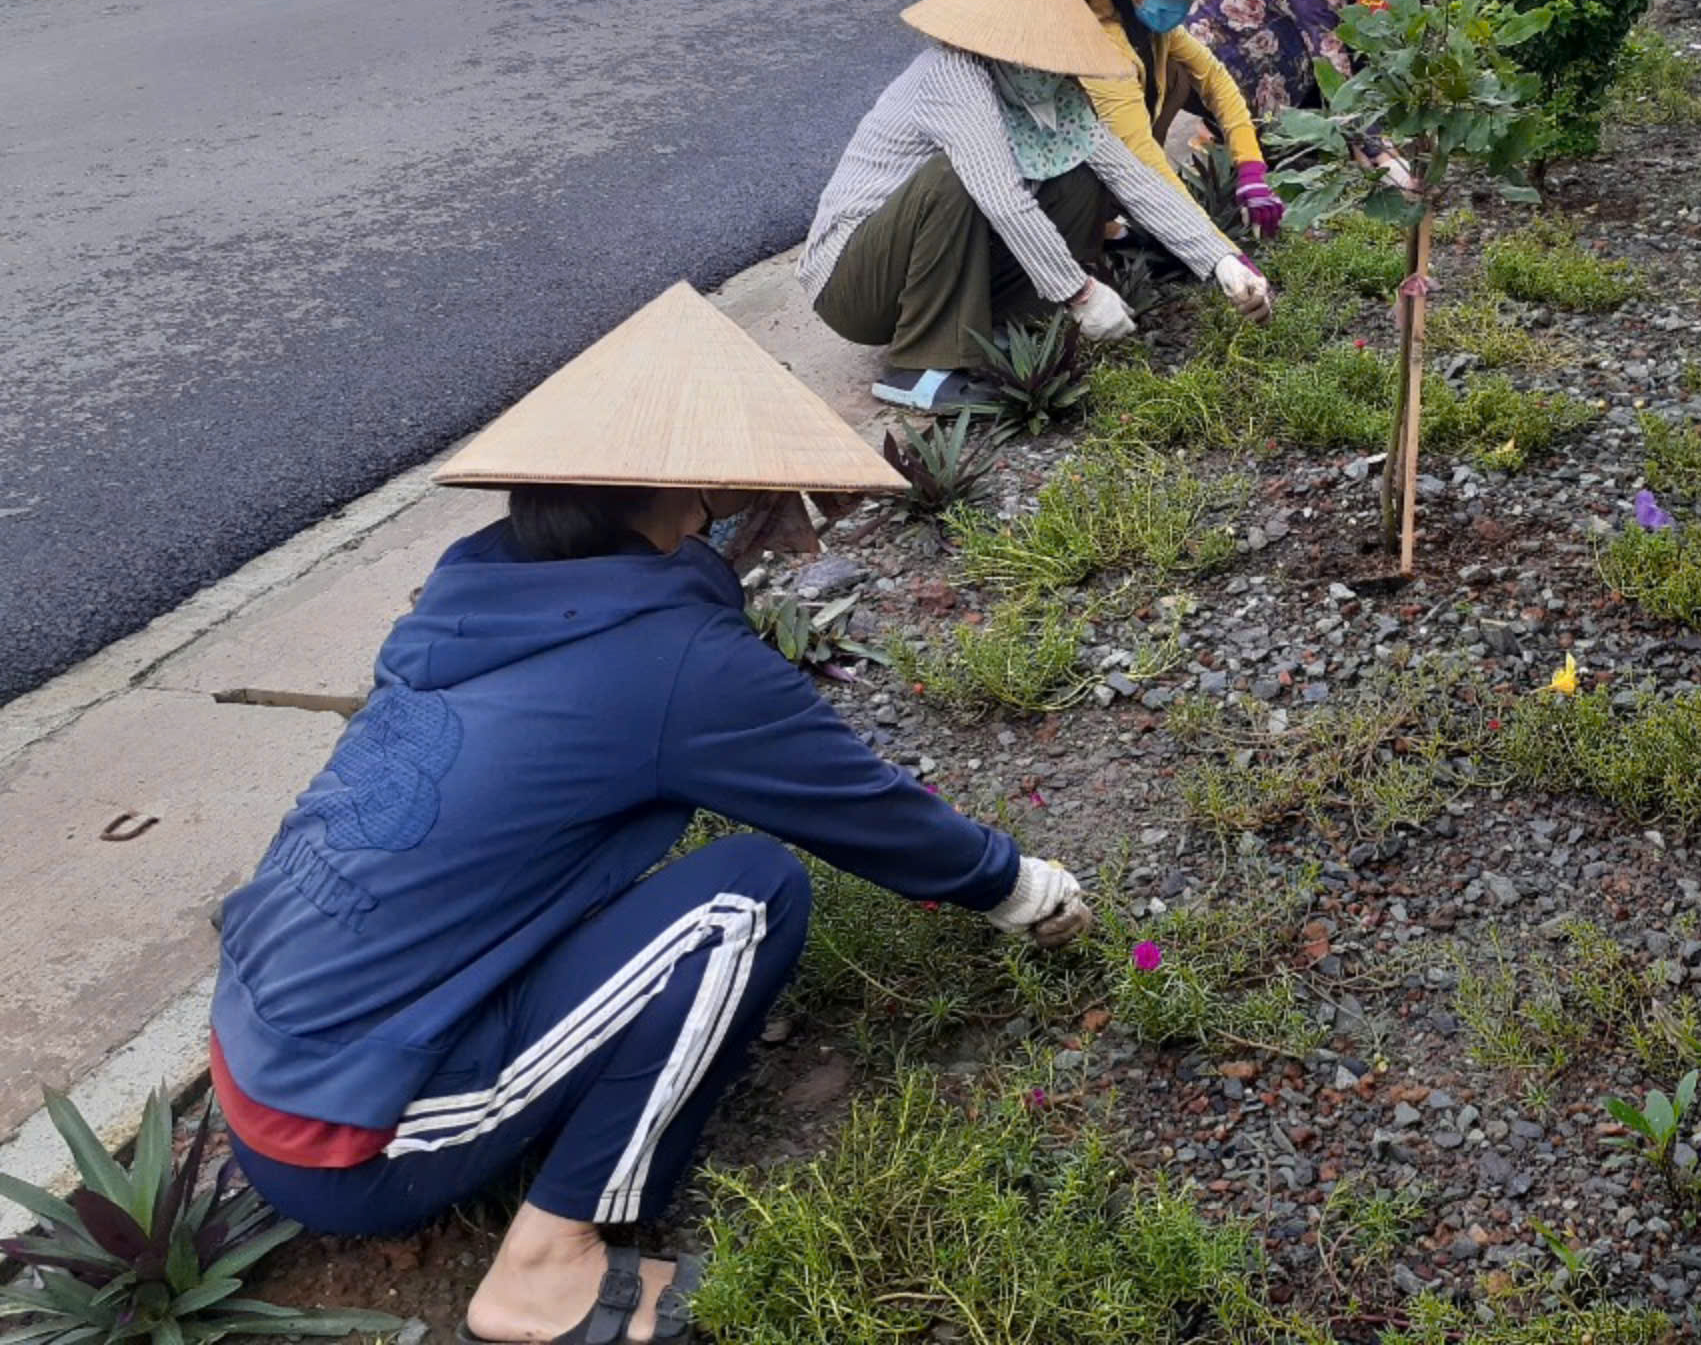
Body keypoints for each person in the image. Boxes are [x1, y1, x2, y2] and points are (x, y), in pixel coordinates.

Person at [208, 281, 1095, 1345]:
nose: (739, 519)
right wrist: (1018, 886)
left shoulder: (473, 601)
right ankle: (549, 1266)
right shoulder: (674, 660)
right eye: (722, 500)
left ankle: (541, 1117)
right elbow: (861, 807)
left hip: (263, 1051)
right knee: (744, 898)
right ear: (676, 504)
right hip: (345, 1137)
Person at [799, 0, 1273, 416]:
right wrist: (1081, 293)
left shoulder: (1048, 88)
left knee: (1080, 175)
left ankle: (1013, 325)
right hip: (854, 283)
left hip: (924, 263)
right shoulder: (953, 75)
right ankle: (919, 367)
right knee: (956, 176)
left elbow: (1132, 177)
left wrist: (1221, 261)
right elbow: (1002, 199)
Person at [1063, 0, 1282, 236]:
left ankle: (1127, 214)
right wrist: (1214, 245)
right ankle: (1102, 225)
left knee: (1180, 74)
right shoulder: (1099, 39)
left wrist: (1251, 167)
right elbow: (1139, 153)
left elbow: (1216, 80)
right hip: (1069, 166)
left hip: (1124, 151)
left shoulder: (1145, 22)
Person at [1185, 0, 1419, 186]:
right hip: (1211, 67)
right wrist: (1380, 152)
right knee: (1319, 63)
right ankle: (1232, 134)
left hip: (1212, 59)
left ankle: (1229, 130)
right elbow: (1336, 72)